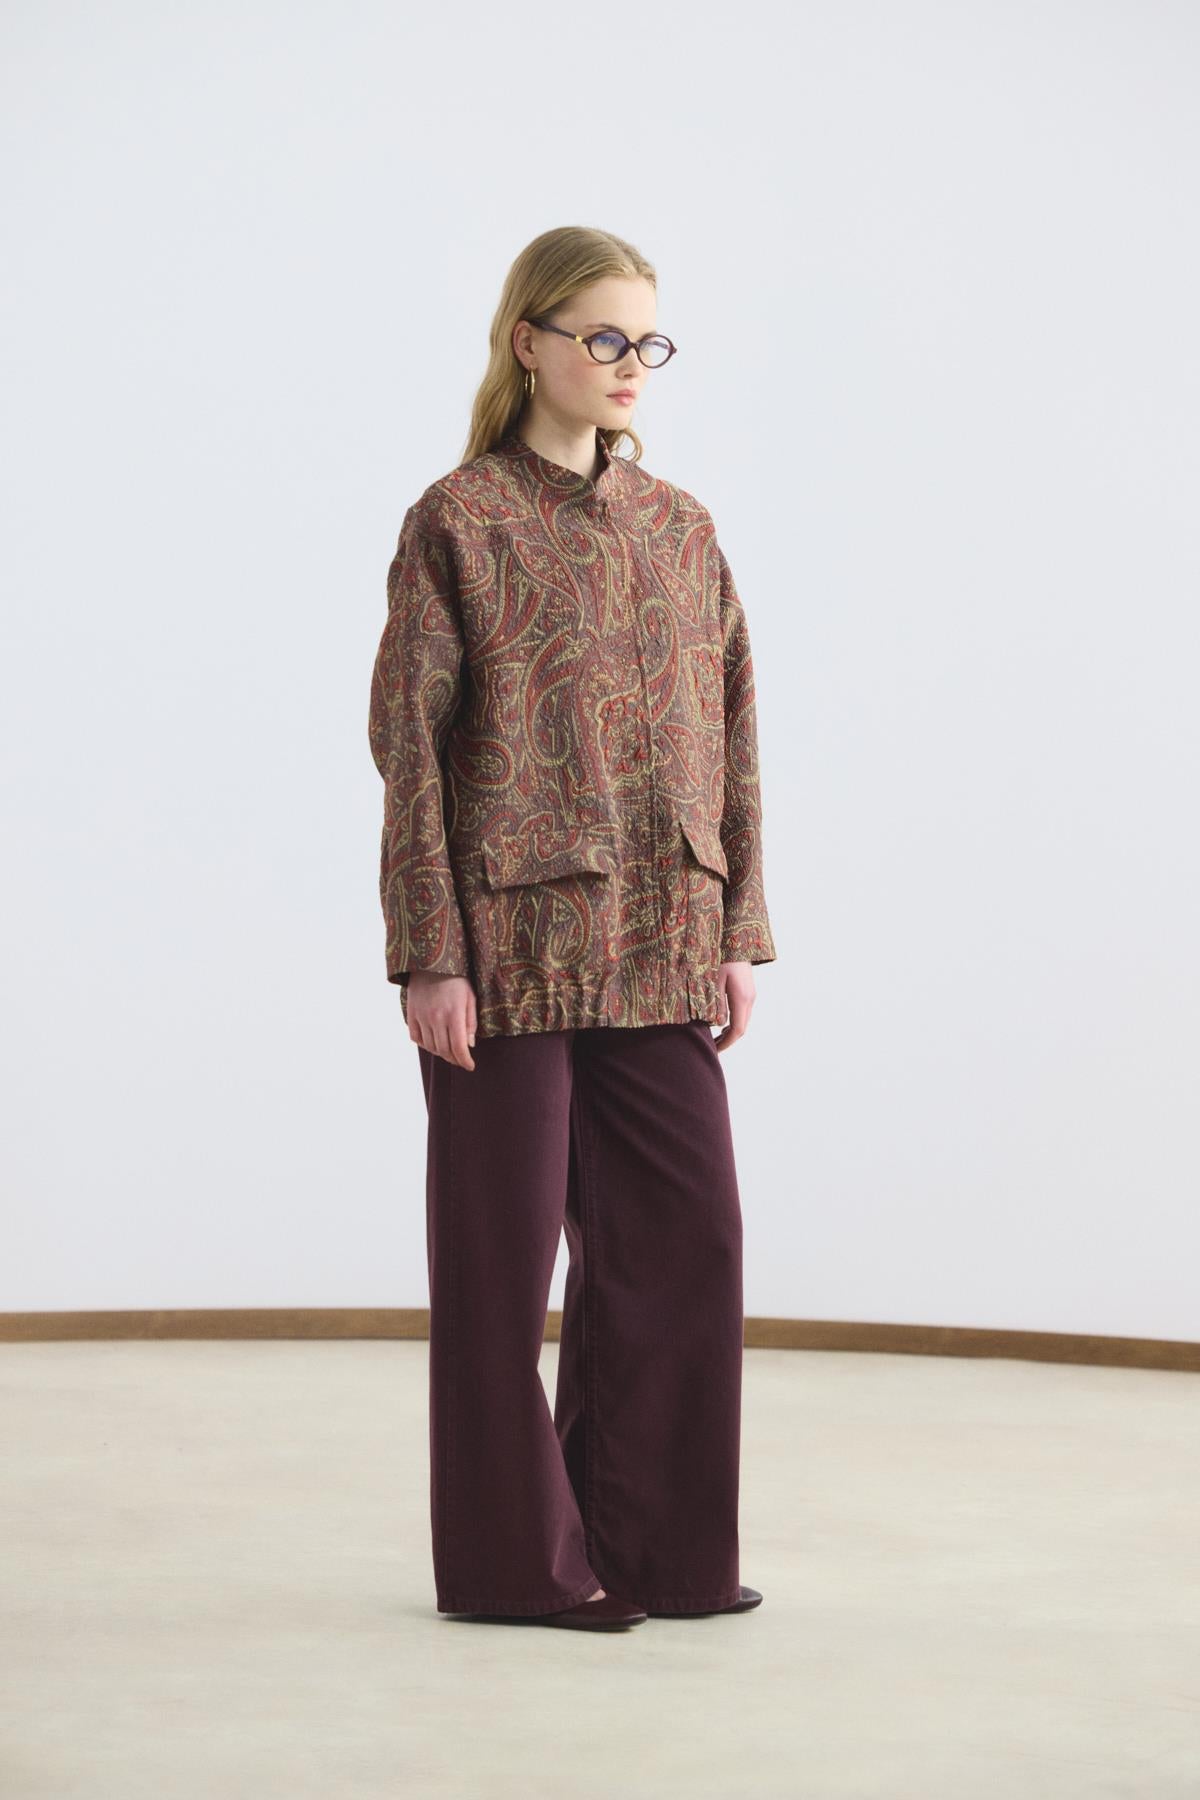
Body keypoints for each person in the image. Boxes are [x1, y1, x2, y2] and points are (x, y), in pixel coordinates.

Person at [368, 225, 777, 1632]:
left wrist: (737, 925)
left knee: (687, 1242)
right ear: (529, 341)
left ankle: (658, 1551)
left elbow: (732, 728)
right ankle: (513, 1571)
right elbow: (410, 750)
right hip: (508, 956)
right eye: (602, 336)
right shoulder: (458, 520)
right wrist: (430, 953)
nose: (628, 364)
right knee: (499, 1273)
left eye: (645, 340)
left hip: (663, 937)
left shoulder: (681, 528)